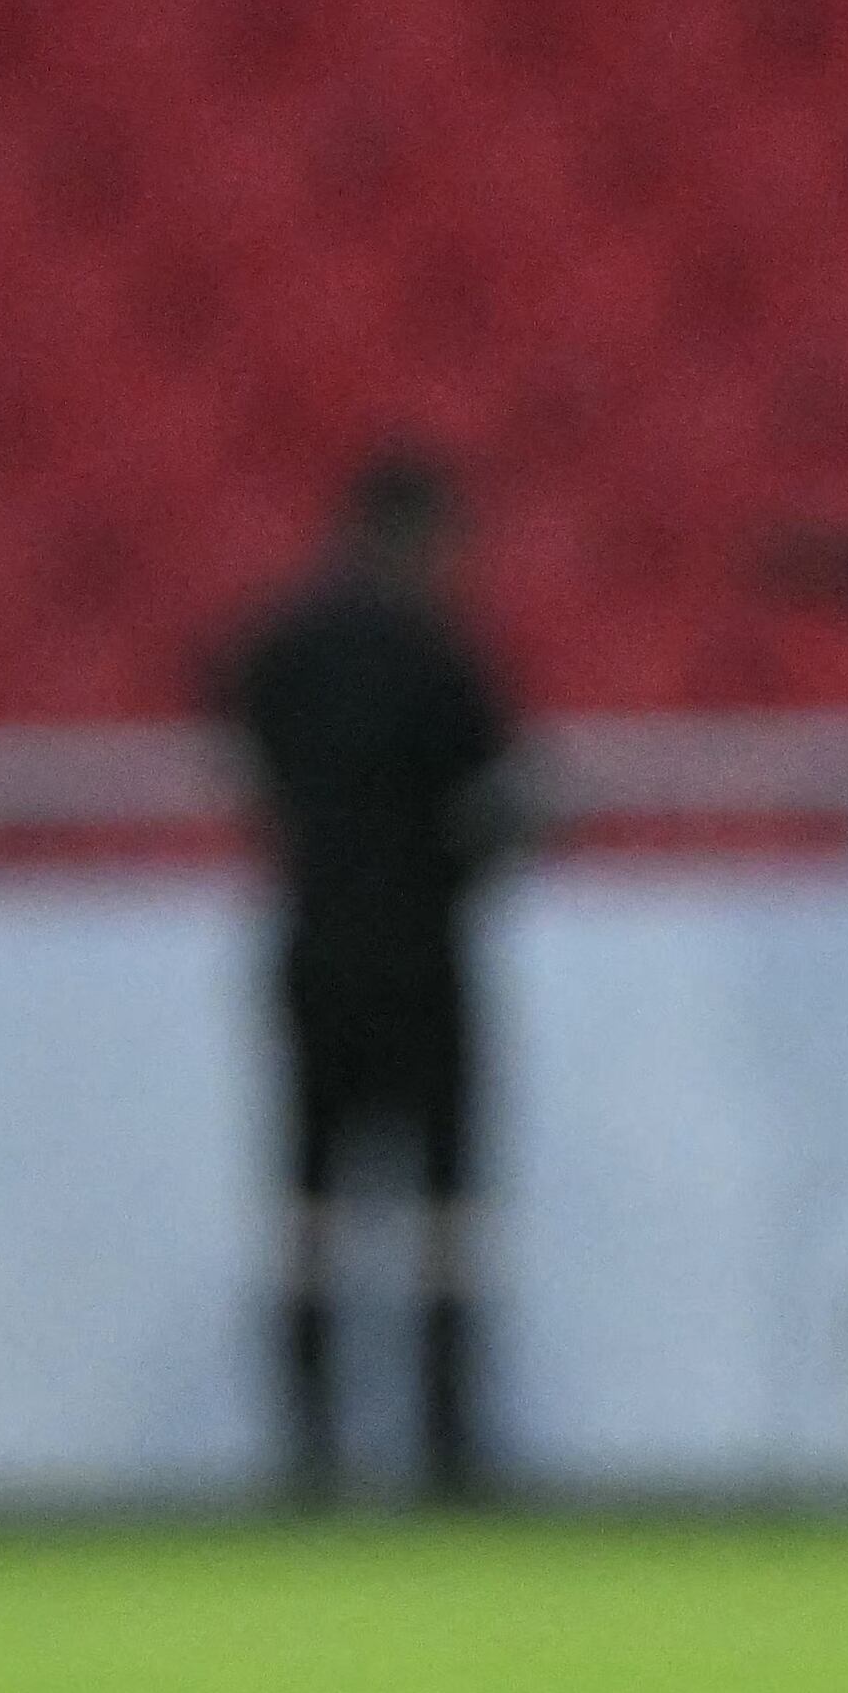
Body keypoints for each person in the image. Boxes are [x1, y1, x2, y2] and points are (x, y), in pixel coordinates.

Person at [225, 451, 523, 1501]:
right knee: (444, 1206)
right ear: (424, 535)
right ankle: (445, 1446)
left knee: (307, 1200)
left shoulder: (280, 645)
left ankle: (304, 1448)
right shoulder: (440, 653)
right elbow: (498, 805)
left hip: (311, 949)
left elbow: (238, 747)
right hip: (420, 954)